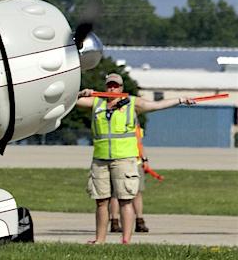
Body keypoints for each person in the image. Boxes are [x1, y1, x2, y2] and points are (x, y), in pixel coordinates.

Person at [76, 74, 194, 244]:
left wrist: (180, 99)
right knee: (101, 201)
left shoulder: (131, 103)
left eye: (115, 86)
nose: (112, 88)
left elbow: (156, 105)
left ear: (121, 88)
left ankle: (126, 240)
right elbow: (68, 102)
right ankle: (99, 240)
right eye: (109, 85)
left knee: (125, 200)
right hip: (100, 159)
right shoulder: (97, 103)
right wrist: (82, 93)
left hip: (124, 159)